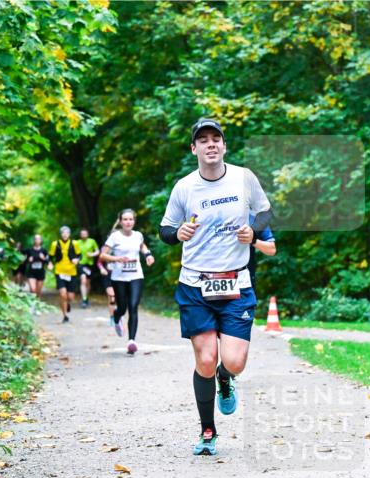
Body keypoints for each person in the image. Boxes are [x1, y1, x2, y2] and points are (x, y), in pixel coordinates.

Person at [159, 118, 272, 456]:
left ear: (224, 146)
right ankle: (208, 431)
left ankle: (226, 378)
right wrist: (177, 233)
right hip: (195, 284)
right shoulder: (184, 187)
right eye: (203, 140)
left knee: (234, 362)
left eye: (216, 139)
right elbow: (165, 230)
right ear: (194, 148)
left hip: (237, 281)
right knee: (205, 359)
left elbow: (265, 213)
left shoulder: (244, 178)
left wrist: (253, 232)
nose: (210, 144)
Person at [100, 209, 155, 355]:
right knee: (122, 307)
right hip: (119, 278)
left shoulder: (138, 235)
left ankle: (131, 341)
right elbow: (103, 255)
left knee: (133, 306)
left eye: (130, 219)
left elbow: (142, 246)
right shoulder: (114, 237)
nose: (128, 222)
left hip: (136, 275)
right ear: (120, 221)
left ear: (134, 221)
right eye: (125, 219)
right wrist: (116, 259)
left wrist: (148, 255)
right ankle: (117, 317)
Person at [47, 225, 81, 323]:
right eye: (63, 233)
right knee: (62, 294)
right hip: (59, 271)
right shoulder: (55, 244)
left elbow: (80, 255)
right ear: (60, 234)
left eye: (67, 233)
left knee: (70, 297)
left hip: (71, 272)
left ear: (69, 234)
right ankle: (65, 315)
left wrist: (77, 260)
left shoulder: (74, 243)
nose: (65, 235)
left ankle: (67, 304)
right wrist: (49, 263)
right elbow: (50, 256)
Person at [247, 213, 276, 289]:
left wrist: (253, 240)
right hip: (213, 276)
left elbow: (272, 249)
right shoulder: (212, 215)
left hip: (245, 281)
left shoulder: (254, 220)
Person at [75, 228, 99, 308]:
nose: (84, 235)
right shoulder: (77, 243)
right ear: (80, 235)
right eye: (82, 234)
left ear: (87, 234)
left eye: (85, 234)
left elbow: (98, 251)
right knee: (83, 280)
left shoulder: (92, 241)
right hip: (81, 264)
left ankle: (86, 297)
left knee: (88, 282)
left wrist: (92, 254)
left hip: (90, 264)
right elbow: (73, 253)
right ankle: (84, 299)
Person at [23, 234, 49, 299]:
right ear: (34, 240)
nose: (37, 240)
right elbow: (23, 261)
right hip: (31, 272)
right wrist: (28, 260)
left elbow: (48, 261)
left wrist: (43, 259)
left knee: (38, 292)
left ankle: (37, 304)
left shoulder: (44, 250)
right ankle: (32, 305)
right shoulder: (29, 250)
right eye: (36, 239)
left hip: (40, 272)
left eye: (38, 239)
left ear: (41, 240)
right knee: (33, 289)